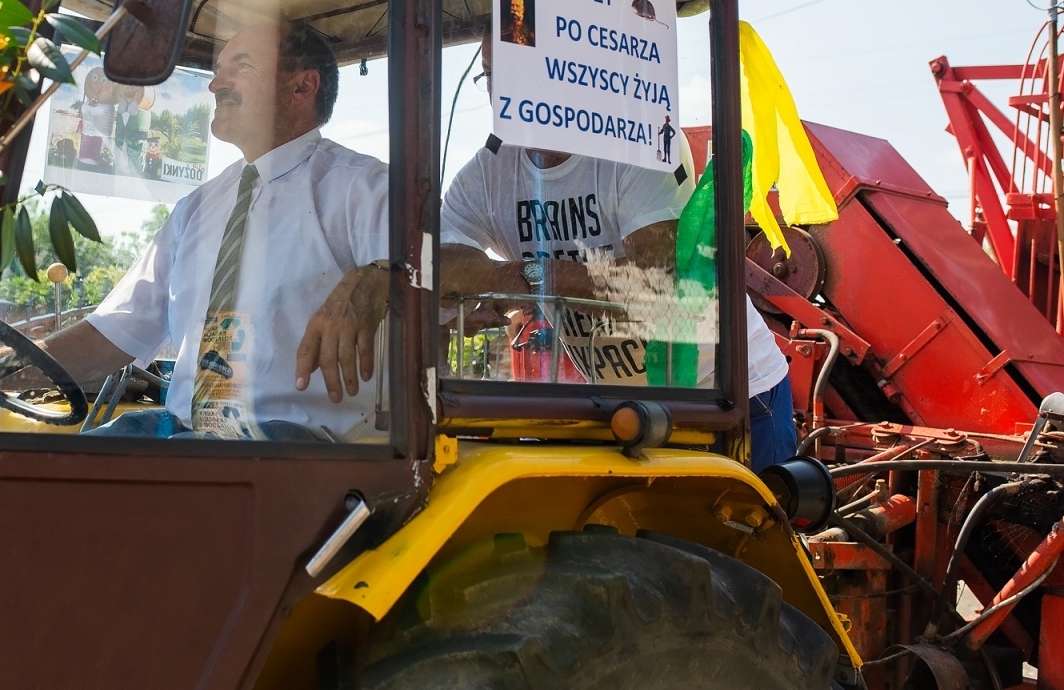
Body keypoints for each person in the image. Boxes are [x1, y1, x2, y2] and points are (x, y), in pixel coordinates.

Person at [298, 36, 796, 469]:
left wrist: (523, 278)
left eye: (515, 71)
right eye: (491, 76)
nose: (498, 92)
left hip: (730, 393)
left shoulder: (631, 143)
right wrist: (514, 281)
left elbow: (653, 281)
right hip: (623, 404)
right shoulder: (490, 171)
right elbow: (439, 262)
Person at [41, 21, 388, 440]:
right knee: (51, 474)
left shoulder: (366, 188)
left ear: (302, 87)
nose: (215, 85)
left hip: (294, 443)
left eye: (240, 67)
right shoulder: (195, 208)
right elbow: (111, 335)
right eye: (218, 70)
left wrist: (385, 275)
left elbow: (466, 266)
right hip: (182, 432)